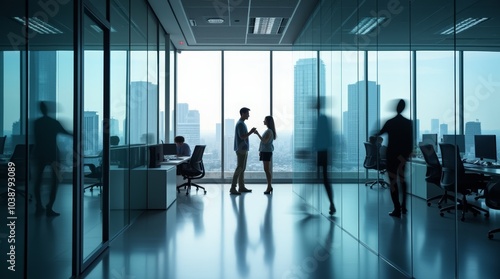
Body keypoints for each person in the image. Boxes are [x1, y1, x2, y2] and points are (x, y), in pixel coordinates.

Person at [375, 99, 413, 218]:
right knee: (402, 180)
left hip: (391, 155)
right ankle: (404, 207)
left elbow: (379, 133)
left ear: (397, 108)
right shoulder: (408, 123)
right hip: (403, 156)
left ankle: (397, 208)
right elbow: (411, 141)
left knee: (393, 182)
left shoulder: (390, 122)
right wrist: (408, 154)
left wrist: (373, 134)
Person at [33, 101, 72, 216]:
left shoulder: (37, 123)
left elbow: (36, 139)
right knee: (54, 182)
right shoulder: (53, 122)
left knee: (38, 181)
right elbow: (66, 133)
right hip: (52, 154)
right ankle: (49, 207)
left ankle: (39, 205)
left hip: (40, 153)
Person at [230, 107, 256, 195]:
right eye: (247, 113)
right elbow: (242, 136)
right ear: (243, 114)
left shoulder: (242, 123)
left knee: (242, 168)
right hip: (241, 150)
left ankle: (241, 187)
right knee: (240, 168)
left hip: (243, 149)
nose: (249, 115)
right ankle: (233, 187)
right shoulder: (240, 124)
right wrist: (251, 132)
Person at [315, 109, 336, 215]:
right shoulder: (326, 129)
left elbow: (316, 140)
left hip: (321, 153)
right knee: (324, 179)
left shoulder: (321, 122)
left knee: (323, 179)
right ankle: (331, 203)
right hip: (323, 153)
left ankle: (332, 203)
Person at [254, 116, 276, 194]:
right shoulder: (269, 131)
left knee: (267, 170)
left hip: (266, 152)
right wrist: (261, 150)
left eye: (265, 120)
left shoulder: (269, 131)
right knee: (266, 170)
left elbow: (265, 141)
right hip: (265, 151)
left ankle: (269, 186)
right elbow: (264, 143)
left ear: (268, 122)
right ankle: (269, 186)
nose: (263, 121)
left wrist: (257, 134)